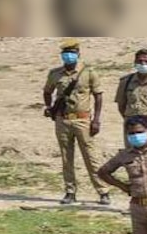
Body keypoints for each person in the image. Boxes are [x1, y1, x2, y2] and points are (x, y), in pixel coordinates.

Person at [42, 39, 110, 206]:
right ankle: (70, 192)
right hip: (63, 119)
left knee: (91, 156)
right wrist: (49, 107)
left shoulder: (88, 72)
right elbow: (47, 91)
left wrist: (96, 119)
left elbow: (98, 96)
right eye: (66, 53)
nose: (68, 55)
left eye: (72, 52)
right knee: (66, 157)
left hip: (83, 119)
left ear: (78, 54)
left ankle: (103, 191)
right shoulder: (55, 73)